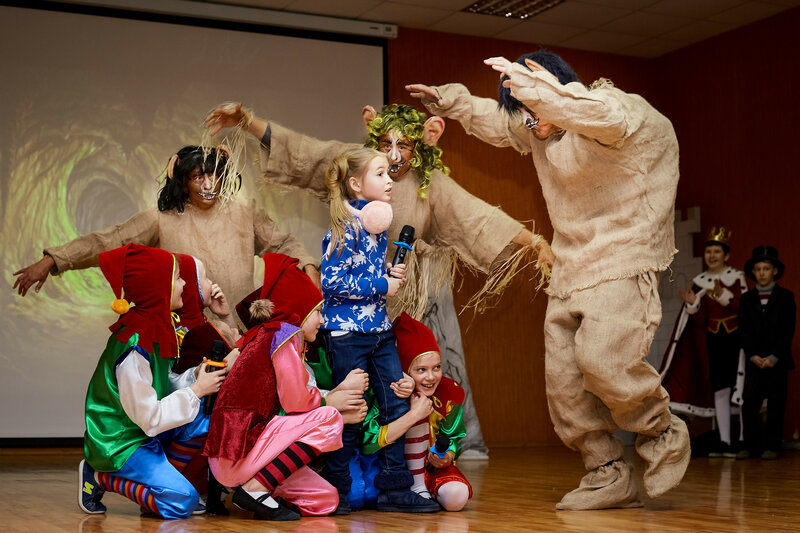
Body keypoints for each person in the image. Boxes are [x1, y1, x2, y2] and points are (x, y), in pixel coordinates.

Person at [406, 49, 689, 509]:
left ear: (554, 90)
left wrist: (541, 92)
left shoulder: (619, 110)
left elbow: (591, 112)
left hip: (622, 256)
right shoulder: (538, 124)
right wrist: (448, 100)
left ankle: (660, 430)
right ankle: (606, 472)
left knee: (606, 363)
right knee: (563, 383)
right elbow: (497, 122)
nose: (532, 125)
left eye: (535, 112)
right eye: (525, 116)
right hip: (569, 264)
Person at [203, 102, 555, 456]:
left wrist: (535, 241)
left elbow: (477, 218)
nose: (394, 155)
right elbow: (305, 153)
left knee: (409, 376)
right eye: (386, 145)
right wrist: (248, 122)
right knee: (358, 383)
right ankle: (356, 462)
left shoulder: (430, 186)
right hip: (355, 306)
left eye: (403, 146)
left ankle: (419, 457)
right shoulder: (357, 169)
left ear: (422, 145)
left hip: (410, 296)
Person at [12, 145, 318, 325]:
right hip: (184, 339)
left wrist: (306, 263)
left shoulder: (245, 211)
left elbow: (282, 243)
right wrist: (55, 259)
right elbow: (109, 241)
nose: (209, 184)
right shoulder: (161, 220)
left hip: (240, 333)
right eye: (199, 176)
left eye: (215, 175)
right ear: (183, 182)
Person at [319, 148, 439, 514]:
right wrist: (380, 283)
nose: (390, 180)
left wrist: (389, 275)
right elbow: (332, 279)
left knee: (395, 402)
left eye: (390, 174)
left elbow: (366, 275)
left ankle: (393, 488)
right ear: (356, 184)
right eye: (381, 174)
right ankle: (338, 492)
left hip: (379, 330)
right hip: (347, 334)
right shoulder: (344, 229)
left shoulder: (376, 229)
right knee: (351, 411)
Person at [78, 243, 226, 519]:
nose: (184, 285)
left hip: (144, 431)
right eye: (178, 278)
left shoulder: (156, 326)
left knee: (206, 422)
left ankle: (158, 486)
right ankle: (99, 476)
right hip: (122, 441)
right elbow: (149, 417)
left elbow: (163, 385)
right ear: (158, 286)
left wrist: (193, 377)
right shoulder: (135, 345)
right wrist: (196, 390)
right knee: (182, 502)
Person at [204, 254, 344, 520]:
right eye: (318, 312)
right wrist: (326, 400)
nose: (322, 320)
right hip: (239, 451)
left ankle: (263, 490)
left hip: (244, 454)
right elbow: (295, 401)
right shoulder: (284, 335)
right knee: (330, 418)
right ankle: (255, 491)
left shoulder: (267, 335)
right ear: (300, 311)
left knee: (325, 500)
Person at [660, 228, 748, 457]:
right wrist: (692, 305)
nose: (712, 255)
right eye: (708, 251)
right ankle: (724, 441)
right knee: (720, 390)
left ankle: (742, 440)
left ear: (726, 255)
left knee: (739, 390)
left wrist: (722, 295)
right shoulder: (699, 282)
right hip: (713, 342)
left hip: (735, 341)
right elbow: (698, 321)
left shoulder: (736, 278)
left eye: (717, 251)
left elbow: (745, 309)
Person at [736, 246, 795, 460]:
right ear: (753, 272)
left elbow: (787, 331)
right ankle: (750, 445)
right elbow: (743, 331)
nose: (761, 272)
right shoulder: (747, 299)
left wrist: (773, 357)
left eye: (766, 268)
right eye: (758, 268)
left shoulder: (786, 297)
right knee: (750, 402)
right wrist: (753, 355)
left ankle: (772, 446)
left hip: (776, 361)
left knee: (776, 404)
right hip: (754, 360)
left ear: (775, 271)